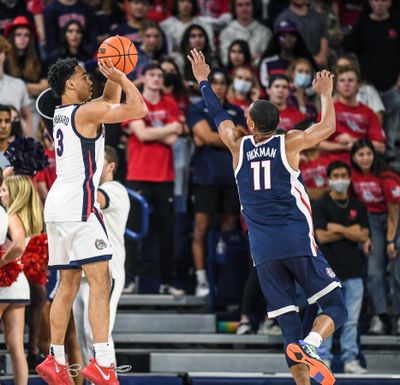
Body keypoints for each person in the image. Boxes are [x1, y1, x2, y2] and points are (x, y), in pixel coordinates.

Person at [187, 48, 347, 385]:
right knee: (335, 306)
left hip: (262, 250)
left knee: (288, 323)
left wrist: (203, 80)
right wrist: (326, 94)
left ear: (250, 124)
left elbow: (217, 114)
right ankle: (313, 343)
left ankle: (302, 371)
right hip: (296, 240)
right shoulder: (290, 142)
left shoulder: (237, 145)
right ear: (279, 123)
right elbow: (328, 126)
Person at [35, 56, 147, 385]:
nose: (90, 80)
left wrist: (114, 71)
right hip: (78, 206)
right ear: (70, 84)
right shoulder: (86, 112)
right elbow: (137, 109)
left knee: (67, 286)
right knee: (103, 282)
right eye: (84, 76)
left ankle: (55, 359)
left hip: (56, 206)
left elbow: (108, 101)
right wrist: (125, 79)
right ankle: (103, 361)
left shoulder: (65, 112)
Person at [123, 61, 184, 297]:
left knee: (166, 233)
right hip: (138, 175)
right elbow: (142, 133)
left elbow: (171, 140)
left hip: (165, 177)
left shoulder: (170, 103)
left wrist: (155, 132)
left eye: (160, 75)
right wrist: (168, 128)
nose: (157, 78)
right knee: (133, 231)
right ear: (143, 77)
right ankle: (128, 280)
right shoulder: (135, 103)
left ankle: (167, 282)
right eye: (152, 74)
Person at [186, 70, 246, 297]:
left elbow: (242, 139)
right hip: (205, 176)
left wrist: (212, 137)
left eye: (222, 83)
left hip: (232, 177)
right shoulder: (196, 108)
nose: (219, 87)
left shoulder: (236, 110)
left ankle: (223, 276)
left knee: (229, 226)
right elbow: (207, 136)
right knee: (200, 227)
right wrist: (229, 138)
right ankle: (201, 279)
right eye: (215, 83)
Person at [73, 145, 130, 365]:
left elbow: (94, 200)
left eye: (97, 161)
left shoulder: (115, 189)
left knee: (96, 333)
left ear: (111, 166)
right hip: (82, 270)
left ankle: (108, 378)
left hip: (108, 272)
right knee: (83, 337)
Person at [313, 161, 369, 374]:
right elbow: (321, 236)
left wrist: (335, 228)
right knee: (326, 318)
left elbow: (363, 235)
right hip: (327, 274)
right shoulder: (320, 205)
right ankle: (323, 358)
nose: (340, 178)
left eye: (343, 174)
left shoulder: (358, 206)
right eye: (335, 175)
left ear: (349, 178)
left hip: (355, 272)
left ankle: (350, 359)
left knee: (352, 322)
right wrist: (349, 230)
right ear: (329, 179)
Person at [350, 139, 400, 335]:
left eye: (368, 154)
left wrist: (390, 241)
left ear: (374, 155)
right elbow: (357, 208)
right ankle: (381, 316)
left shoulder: (386, 177)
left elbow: (394, 212)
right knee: (373, 271)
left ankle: (398, 316)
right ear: (354, 157)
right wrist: (365, 235)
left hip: (393, 219)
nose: (365, 158)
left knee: (397, 270)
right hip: (371, 221)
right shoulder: (352, 176)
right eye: (361, 155)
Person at [0, 174, 43, 385]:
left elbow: (16, 245)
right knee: (15, 345)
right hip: (18, 284)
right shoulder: (25, 216)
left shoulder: (12, 216)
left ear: (15, 194)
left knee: (14, 345)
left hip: (4, 284)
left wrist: (1, 263)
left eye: (5, 190)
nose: (1, 193)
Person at [319, 65, 386, 164]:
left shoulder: (368, 112)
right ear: (336, 85)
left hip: (363, 166)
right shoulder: (328, 110)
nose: (346, 84)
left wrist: (354, 141)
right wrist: (345, 147)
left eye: (350, 80)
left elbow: (381, 147)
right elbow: (318, 143)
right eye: (342, 80)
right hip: (334, 168)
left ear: (358, 85)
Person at [275, 0, 329, 68]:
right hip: (292, 67)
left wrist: (320, 59)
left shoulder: (318, 17)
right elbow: (281, 48)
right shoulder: (282, 19)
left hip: (318, 68)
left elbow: (323, 53)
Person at [219, 0, 271, 66]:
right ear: (234, 8)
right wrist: (250, 58)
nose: (244, 8)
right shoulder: (226, 32)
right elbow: (225, 59)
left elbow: (266, 60)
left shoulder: (264, 32)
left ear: (254, 7)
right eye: (240, 5)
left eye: (247, 4)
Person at [0, 35, 32, 136]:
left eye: (0, 51)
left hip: (14, 144)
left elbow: (27, 116)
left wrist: (28, 141)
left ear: (5, 53)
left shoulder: (18, 84)